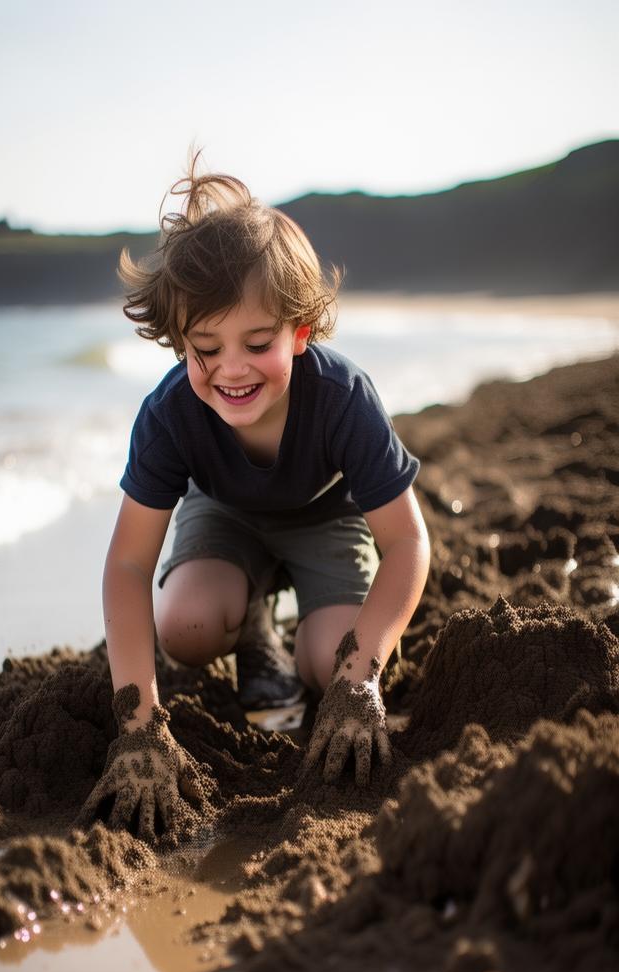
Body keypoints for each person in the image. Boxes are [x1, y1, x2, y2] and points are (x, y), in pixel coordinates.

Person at [81, 160, 431, 840]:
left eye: (258, 342)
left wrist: (361, 681)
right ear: (179, 343)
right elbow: (127, 567)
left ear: (301, 332)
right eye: (205, 348)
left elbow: (409, 543)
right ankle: (252, 630)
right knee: (184, 626)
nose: (232, 368)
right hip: (226, 516)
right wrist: (139, 725)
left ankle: (301, 635)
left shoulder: (343, 399)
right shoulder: (169, 415)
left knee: (332, 661)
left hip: (326, 516)